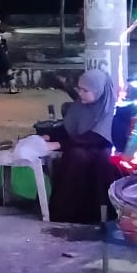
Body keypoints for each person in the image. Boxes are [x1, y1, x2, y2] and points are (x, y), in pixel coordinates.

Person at [43, 68, 120, 224]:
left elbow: (99, 137)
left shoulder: (110, 108)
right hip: (82, 147)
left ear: (98, 91)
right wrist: (50, 136)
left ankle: (102, 215)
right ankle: (67, 215)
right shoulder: (79, 106)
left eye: (85, 90)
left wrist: (59, 143)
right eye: (79, 89)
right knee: (76, 156)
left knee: (102, 160)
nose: (80, 93)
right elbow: (68, 129)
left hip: (103, 148)